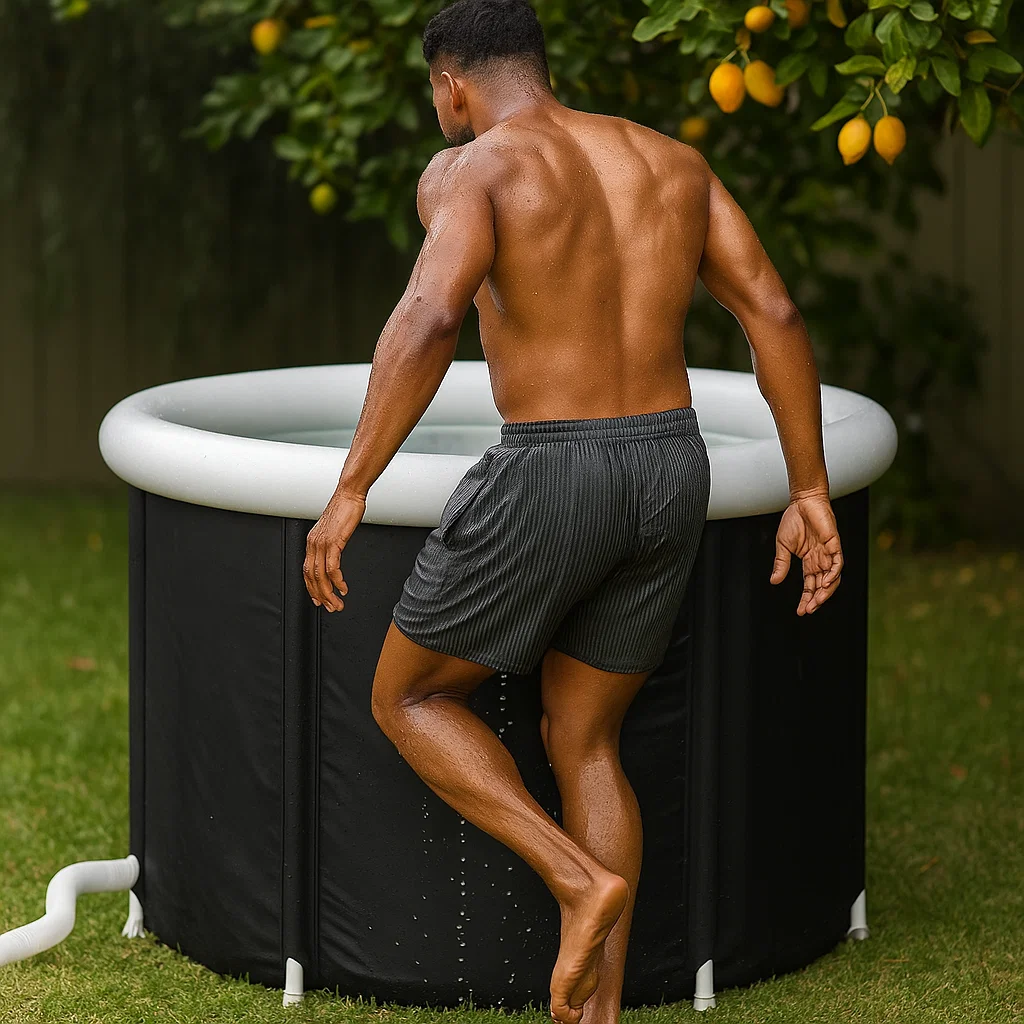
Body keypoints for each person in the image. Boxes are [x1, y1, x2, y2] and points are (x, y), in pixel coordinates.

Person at [303, 1, 844, 1021]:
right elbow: (772, 309)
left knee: (408, 699)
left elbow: (429, 314)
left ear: (451, 85)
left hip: (556, 466)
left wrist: (352, 486)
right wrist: (807, 488)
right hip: (672, 465)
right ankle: (597, 1015)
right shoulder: (671, 162)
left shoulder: (471, 169)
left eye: (434, 93)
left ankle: (577, 880)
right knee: (585, 738)